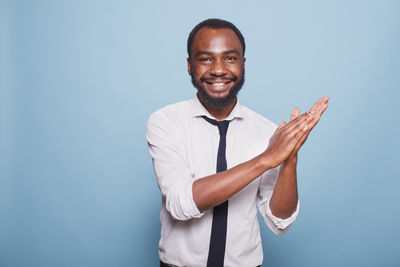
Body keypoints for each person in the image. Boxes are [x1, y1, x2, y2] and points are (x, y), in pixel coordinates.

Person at [146, 18, 329, 267]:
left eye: (230, 58)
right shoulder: (165, 122)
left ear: (243, 65)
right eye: (205, 59)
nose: (219, 69)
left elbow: (279, 221)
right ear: (190, 66)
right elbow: (180, 204)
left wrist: (289, 159)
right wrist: (265, 159)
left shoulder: (267, 131)